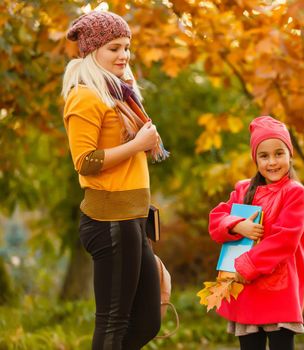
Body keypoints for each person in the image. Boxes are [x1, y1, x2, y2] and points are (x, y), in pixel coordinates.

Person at [61, 10, 169, 350]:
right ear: (93, 51)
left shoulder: (120, 94)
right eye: (114, 48)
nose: (124, 55)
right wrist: (137, 144)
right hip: (109, 221)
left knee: (149, 321)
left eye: (126, 47)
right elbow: (85, 162)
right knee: (113, 324)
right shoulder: (85, 97)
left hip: (133, 218)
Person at [209, 116, 304, 350]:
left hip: (278, 289)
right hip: (246, 291)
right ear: (255, 158)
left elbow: (284, 240)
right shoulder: (244, 189)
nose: (272, 162)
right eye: (264, 156)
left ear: (290, 155)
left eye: (278, 153)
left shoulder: (294, 192)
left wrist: (246, 266)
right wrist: (236, 224)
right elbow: (216, 220)